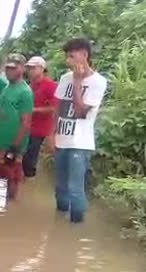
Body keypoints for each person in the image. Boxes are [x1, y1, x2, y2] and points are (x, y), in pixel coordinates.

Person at [54, 38, 107, 223]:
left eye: (71, 56)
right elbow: (58, 108)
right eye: (67, 57)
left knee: (75, 188)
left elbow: (81, 112)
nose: (68, 61)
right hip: (61, 140)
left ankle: (75, 229)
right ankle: (59, 225)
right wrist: (52, 136)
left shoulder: (98, 82)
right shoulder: (64, 78)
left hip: (80, 143)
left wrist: (77, 84)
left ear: (84, 55)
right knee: (60, 188)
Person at [0, 54, 34, 200]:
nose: (9, 71)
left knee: (12, 180)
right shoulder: (6, 88)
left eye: (13, 68)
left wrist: (14, 148)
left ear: (22, 69)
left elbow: (26, 123)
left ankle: (10, 211)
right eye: (7, 68)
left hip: (14, 145)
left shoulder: (25, 92)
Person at [23, 56, 58, 178]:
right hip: (26, 126)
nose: (30, 70)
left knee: (29, 159)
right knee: (21, 157)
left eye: (33, 68)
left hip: (40, 129)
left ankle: (29, 183)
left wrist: (33, 110)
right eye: (28, 68)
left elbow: (54, 108)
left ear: (42, 68)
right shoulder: (29, 85)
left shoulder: (50, 86)